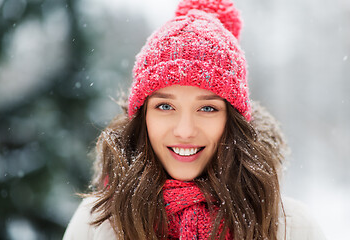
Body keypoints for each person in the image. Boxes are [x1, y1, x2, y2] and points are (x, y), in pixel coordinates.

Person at [63, 0, 326, 239]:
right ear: (142, 117)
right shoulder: (97, 223)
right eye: (165, 106)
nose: (185, 131)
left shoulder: (290, 226)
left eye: (208, 109)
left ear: (233, 120)